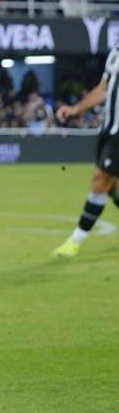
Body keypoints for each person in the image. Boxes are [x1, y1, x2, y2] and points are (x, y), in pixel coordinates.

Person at [52, 45, 119, 257]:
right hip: (109, 129)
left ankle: (75, 240)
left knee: (101, 179)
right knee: (112, 186)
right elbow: (103, 89)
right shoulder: (116, 51)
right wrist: (75, 109)